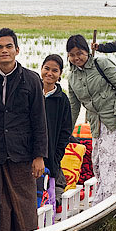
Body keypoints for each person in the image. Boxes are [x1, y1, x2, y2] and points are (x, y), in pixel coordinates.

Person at [0, 28, 48, 231]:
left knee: (24, 211)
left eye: (9, 47)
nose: (4, 51)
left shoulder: (32, 80)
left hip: (22, 156)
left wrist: (39, 156)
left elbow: (39, 120)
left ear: (17, 50)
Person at [67, 34, 116, 203]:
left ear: (87, 52)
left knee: (113, 162)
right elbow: (74, 106)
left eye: (80, 53)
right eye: (72, 54)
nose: (76, 58)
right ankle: (106, 195)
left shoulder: (101, 64)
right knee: (98, 162)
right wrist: (66, 130)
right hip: (97, 124)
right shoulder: (72, 77)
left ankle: (106, 200)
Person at [38, 54, 72, 217]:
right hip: (28, 154)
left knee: (49, 186)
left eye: (54, 70)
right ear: (41, 69)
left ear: (60, 74)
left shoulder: (62, 99)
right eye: (47, 69)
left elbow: (65, 132)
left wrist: (57, 155)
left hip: (51, 154)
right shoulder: (32, 92)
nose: (49, 73)